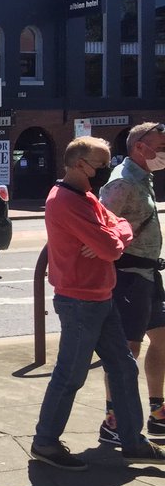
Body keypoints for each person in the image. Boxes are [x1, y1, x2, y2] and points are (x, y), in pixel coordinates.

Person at [31, 136, 165, 470]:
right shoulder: (64, 201)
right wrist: (111, 238)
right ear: (79, 164)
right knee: (70, 374)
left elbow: (119, 228)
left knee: (122, 367)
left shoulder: (86, 196)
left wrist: (113, 235)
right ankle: (45, 442)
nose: (107, 169)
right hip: (80, 301)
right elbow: (110, 248)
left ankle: (133, 441)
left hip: (99, 297)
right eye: (102, 164)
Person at [98, 121, 165, 443]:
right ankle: (114, 420)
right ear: (141, 146)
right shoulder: (122, 183)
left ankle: (157, 412)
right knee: (126, 351)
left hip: (149, 275)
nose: (163, 151)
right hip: (129, 279)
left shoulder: (143, 178)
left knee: (162, 341)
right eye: (160, 145)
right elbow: (99, 228)